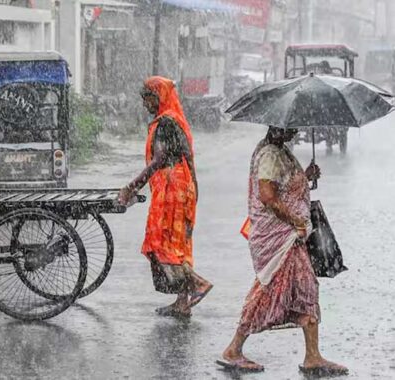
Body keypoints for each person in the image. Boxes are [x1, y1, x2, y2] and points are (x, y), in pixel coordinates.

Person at [217, 127, 347, 375]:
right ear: (278, 126)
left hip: (291, 237)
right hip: (280, 237)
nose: (296, 130)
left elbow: (283, 187)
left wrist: (305, 178)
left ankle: (313, 356)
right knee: (269, 289)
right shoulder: (269, 154)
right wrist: (295, 220)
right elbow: (268, 196)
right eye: (292, 127)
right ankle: (234, 349)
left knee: (307, 287)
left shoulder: (280, 151)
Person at [118, 76, 213, 318]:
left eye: (147, 98)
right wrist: (195, 191)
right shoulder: (177, 121)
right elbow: (189, 160)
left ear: (158, 97)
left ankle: (198, 284)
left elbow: (158, 160)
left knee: (160, 241)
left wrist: (132, 186)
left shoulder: (165, 124)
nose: (145, 104)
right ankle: (182, 301)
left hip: (172, 188)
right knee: (178, 243)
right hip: (183, 187)